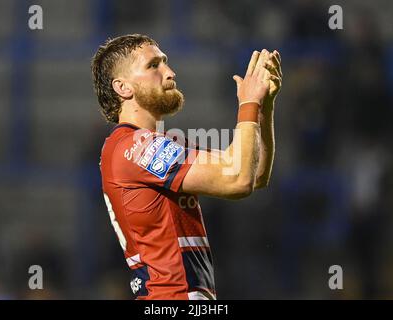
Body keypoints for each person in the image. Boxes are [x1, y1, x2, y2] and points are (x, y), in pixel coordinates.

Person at [91, 34, 282, 300]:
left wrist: (262, 107)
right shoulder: (132, 147)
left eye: (165, 63)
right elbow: (237, 179)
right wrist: (247, 103)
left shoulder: (158, 144)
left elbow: (254, 172)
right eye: (153, 66)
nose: (169, 72)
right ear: (123, 87)